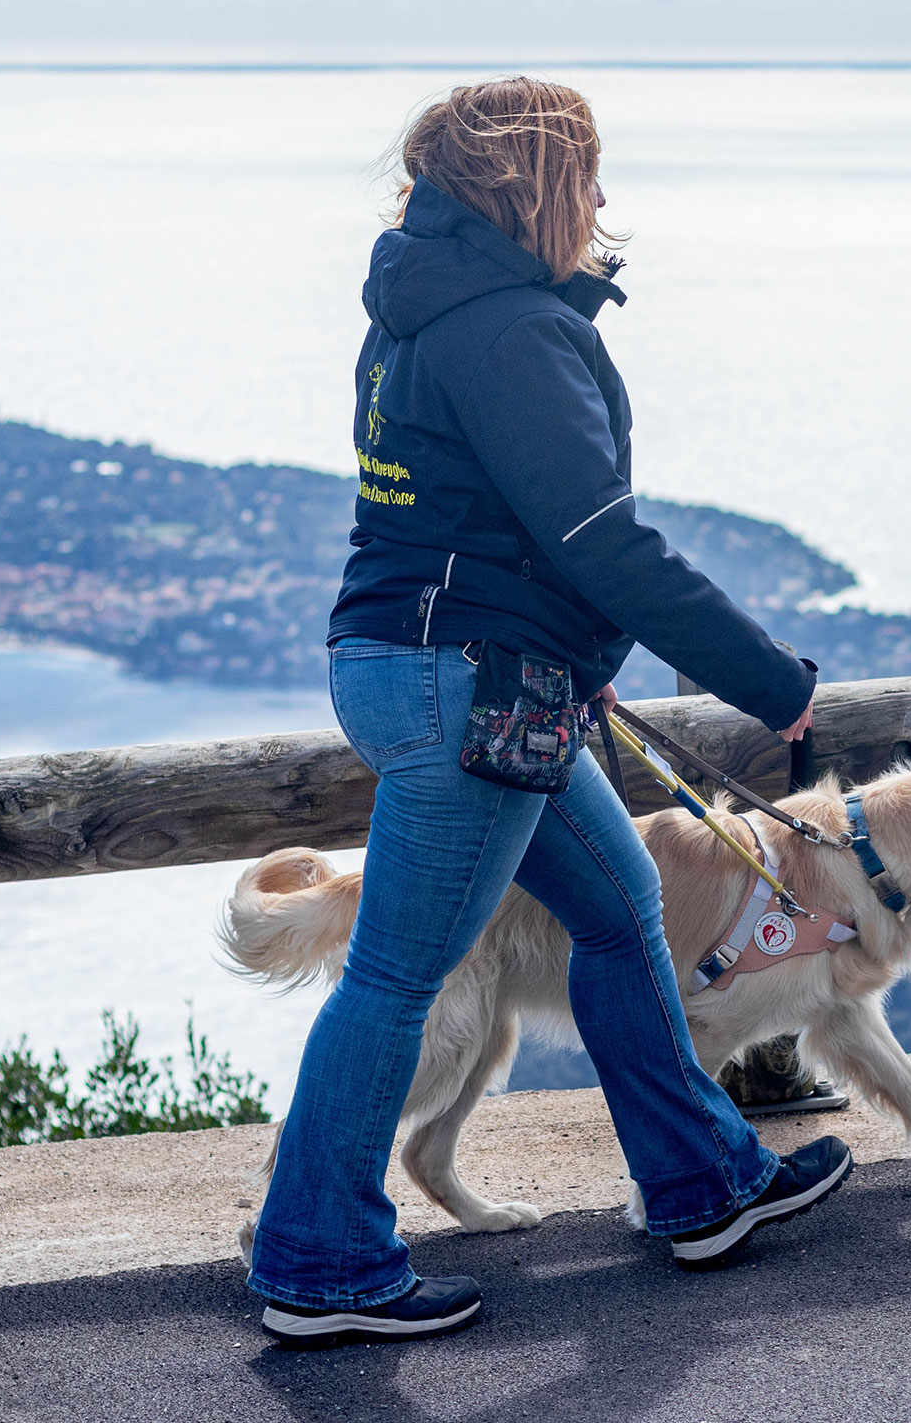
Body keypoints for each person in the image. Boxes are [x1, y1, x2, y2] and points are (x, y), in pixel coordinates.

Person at [248, 77, 852, 1347]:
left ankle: (703, 1185)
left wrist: (567, 650)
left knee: (625, 916)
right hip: (472, 687)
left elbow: (463, 521)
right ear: (538, 183)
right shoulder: (509, 330)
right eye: (585, 172)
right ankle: (315, 1260)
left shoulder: (420, 314)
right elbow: (598, 541)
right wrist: (774, 680)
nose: (598, 197)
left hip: (445, 667)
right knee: (398, 975)